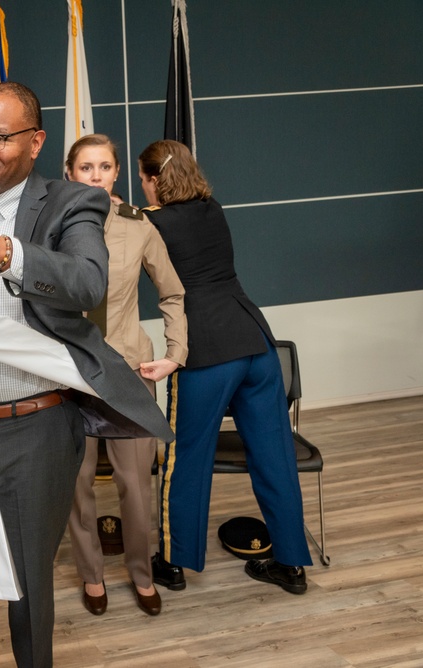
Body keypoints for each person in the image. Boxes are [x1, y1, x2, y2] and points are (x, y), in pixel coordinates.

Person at [0, 82, 172, 668]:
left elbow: (87, 283)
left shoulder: (72, 202)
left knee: (29, 584)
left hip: (33, 428)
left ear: (35, 142)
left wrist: (0, 249)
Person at [138, 139, 313, 595]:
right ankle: (292, 566)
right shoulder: (212, 207)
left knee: (187, 458)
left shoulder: (149, 223)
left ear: (154, 180)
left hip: (206, 351)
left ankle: (175, 563)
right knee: (275, 455)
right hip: (256, 342)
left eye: (142, 179)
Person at [64, 134, 187, 616]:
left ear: (117, 173)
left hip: (129, 369)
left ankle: (141, 572)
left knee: (136, 487)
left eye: (105, 167)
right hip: (69, 373)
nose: (96, 175)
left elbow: (172, 294)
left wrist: (175, 353)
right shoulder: (47, 224)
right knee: (76, 486)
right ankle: (92, 577)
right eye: (86, 167)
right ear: (69, 172)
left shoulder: (139, 227)